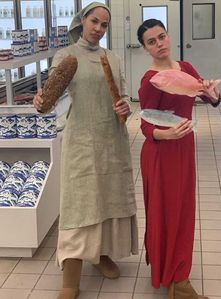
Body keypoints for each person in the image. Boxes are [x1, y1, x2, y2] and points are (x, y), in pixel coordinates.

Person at [33, 2, 138, 299]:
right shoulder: (67, 56)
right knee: (80, 204)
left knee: (107, 200)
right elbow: (50, 95)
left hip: (112, 142)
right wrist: (40, 101)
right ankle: (71, 278)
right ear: (82, 21)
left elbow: (125, 94)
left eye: (104, 25)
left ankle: (101, 254)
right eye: (94, 22)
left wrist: (126, 106)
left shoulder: (113, 58)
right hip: (81, 142)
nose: (98, 29)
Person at [137, 19, 221, 299]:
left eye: (162, 36)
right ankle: (174, 278)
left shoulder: (185, 69)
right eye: (152, 41)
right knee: (166, 212)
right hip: (161, 153)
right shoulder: (150, 80)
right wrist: (165, 135)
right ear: (145, 48)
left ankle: (178, 275)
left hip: (184, 147)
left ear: (169, 37)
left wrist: (213, 93)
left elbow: (208, 96)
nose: (159, 43)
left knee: (183, 210)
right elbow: (145, 124)